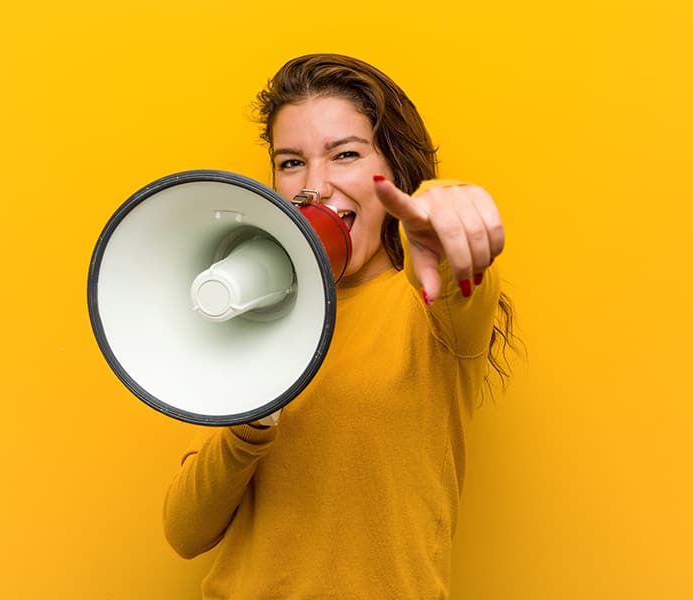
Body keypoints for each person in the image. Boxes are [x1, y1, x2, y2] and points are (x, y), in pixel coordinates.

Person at [163, 53, 517, 599]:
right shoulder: (255, 315)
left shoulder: (430, 309)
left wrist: (439, 209)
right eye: (290, 163)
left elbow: (462, 272)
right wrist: (250, 426)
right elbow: (185, 532)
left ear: (393, 173)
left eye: (345, 155)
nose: (316, 187)